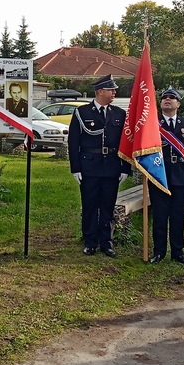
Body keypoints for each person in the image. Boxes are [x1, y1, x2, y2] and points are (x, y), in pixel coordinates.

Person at [68, 74, 131, 257]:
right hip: (89, 166)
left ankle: (107, 243)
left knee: (107, 206)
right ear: (100, 91)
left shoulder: (119, 113)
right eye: (111, 89)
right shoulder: (82, 113)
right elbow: (74, 142)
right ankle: (90, 242)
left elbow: (125, 142)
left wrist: (125, 167)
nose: (114, 92)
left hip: (111, 166)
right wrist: (76, 168)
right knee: (89, 206)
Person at [149, 88, 184, 265]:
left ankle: (178, 252)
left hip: (181, 177)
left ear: (178, 104)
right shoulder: (152, 125)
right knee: (159, 216)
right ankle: (159, 252)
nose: (167, 100)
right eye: (164, 97)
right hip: (159, 176)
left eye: (172, 98)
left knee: (178, 216)